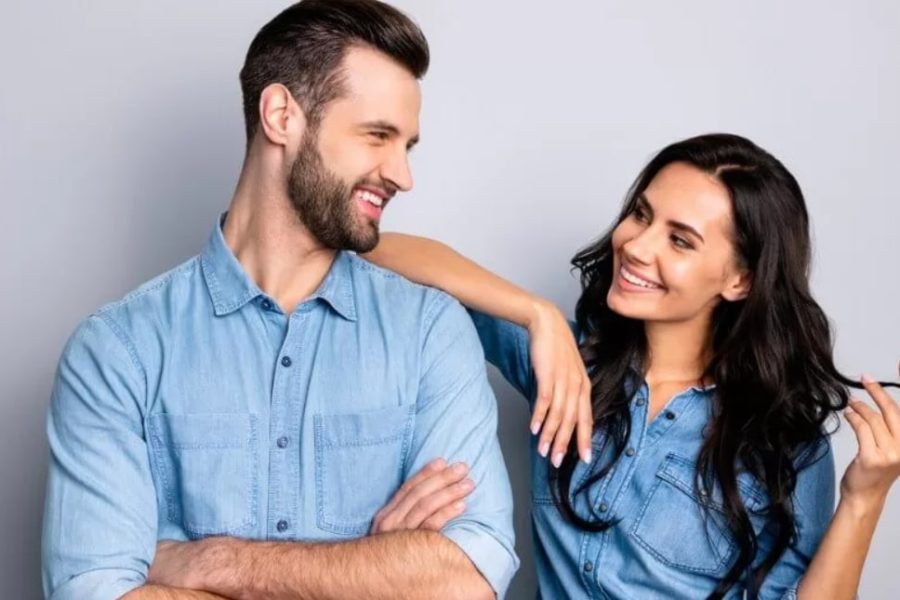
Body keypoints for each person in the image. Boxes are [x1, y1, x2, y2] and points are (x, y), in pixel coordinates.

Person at [37, 1, 587, 597]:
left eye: (408, 145)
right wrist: (373, 571)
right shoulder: (118, 351)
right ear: (280, 115)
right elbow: (91, 592)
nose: (403, 175)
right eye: (378, 135)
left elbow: (465, 582)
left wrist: (216, 565)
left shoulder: (432, 330)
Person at [364, 133, 900, 599]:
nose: (636, 245)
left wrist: (864, 497)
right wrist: (537, 315)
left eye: (680, 240)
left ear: (740, 280)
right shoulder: (568, 369)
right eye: (641, 214)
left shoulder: (786, 439)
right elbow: (377, 250)